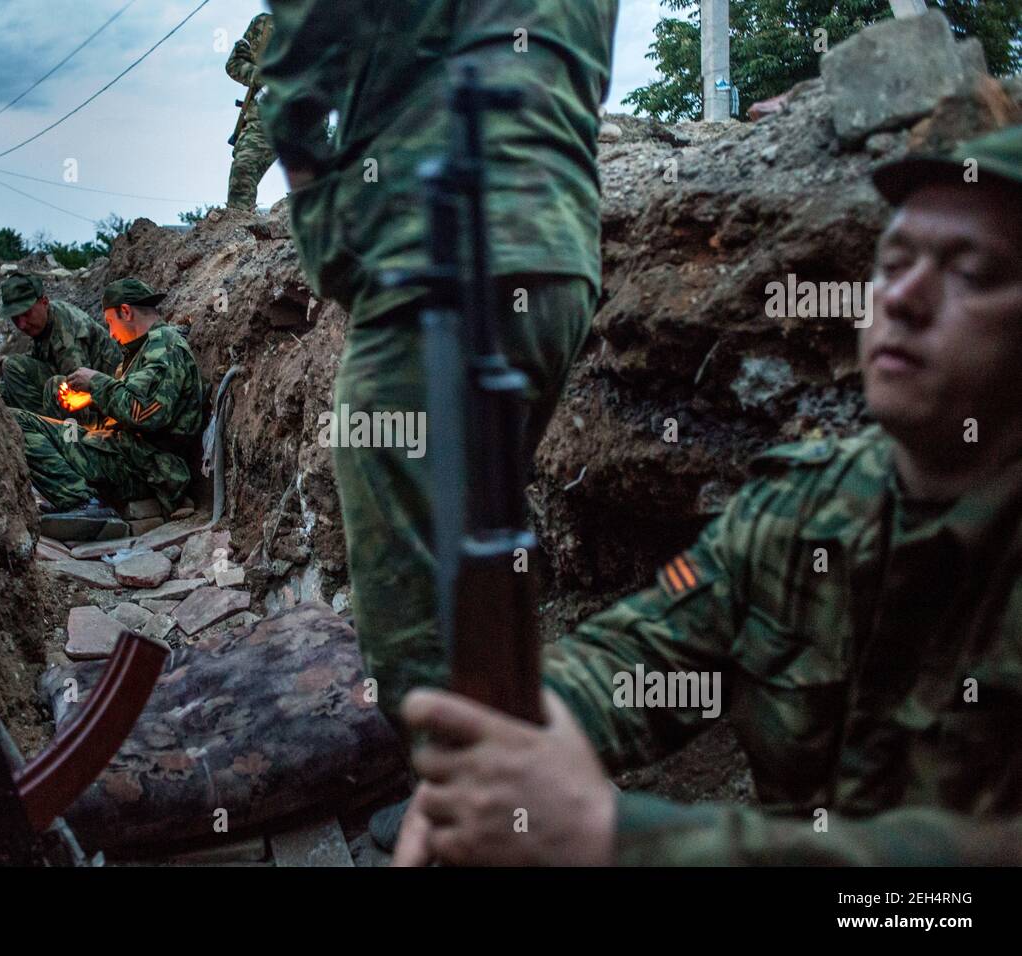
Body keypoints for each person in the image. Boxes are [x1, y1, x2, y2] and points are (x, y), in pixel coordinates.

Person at [393, 125, 1022, 866]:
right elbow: (650, 652)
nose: (906, 298)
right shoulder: (806, 507)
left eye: (973, 272)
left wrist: (615, 837)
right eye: (892, 263)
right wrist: (519, 735)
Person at [259, 0, 619, 719]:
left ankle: (461, 806)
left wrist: (319, 217)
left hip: (429, 254)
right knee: (484, 546)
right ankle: (515, 774)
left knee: (415, 610)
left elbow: (304, 47)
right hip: (559, 254)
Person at [11, 278, 205, 516]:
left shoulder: (164, 346)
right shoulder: (142, 350)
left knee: (17, 423)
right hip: (129, 454)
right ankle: (78, 495)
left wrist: (96, 382)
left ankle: (82, 502)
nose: (111, 334)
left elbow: (145, 413)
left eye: (110, 323)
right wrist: (91, 399)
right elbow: (133, 403)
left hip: (145, 468)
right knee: (53, 392)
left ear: (126, 311)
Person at [0, 272, 121, 421]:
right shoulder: (46, 319)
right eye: (15, 318)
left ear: (44, 302)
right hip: (88, 391)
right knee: (8, 378)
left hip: (106, 406)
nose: (22, 324)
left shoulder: (66, 335)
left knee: (56, 385)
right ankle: (37, 422)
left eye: (26, 313)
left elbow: (79, 390)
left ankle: (46, 430)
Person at [225, 12, 276, 212]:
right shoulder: (263, 25)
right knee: (242, 169)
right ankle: (240, 237)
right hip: (263, 122)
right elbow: (234, 63)